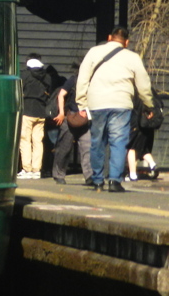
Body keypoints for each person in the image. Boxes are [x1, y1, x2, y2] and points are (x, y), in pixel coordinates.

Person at [76, 27, 156, 192]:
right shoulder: (132, 57)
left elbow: (82, 78)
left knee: (97, 142)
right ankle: (114, 181)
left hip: (97, 103)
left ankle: (97, 180)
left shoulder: (93, 52)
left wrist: (81, 103)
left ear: (109, 37)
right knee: (118, 142)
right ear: (126, 42)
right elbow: (143, 84)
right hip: (121, 103)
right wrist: (148, 104)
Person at [50, 67, 92, 185]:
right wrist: (62, 113)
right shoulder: (73, 80)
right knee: (64, 147)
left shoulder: (94, 82)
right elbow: (61, 94)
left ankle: (89, 176)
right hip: (71, 116)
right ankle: (58, 174)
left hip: (86, 118)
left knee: (87, 147)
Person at [18, 54, 51, 179]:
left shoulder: (25, 75)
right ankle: (37, 170)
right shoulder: (47, 77)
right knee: (38, 141)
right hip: (41, 112)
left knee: (25, 140)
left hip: (27, 110)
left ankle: (27, 169)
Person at [127, 92, 161, 181]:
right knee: (143, 148)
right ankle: (153, 165)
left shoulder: (135, 92)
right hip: (148, 125)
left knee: (131, 148)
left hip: (137, 123)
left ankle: (132, 175)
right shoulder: (151, 91)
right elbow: (160, 104)